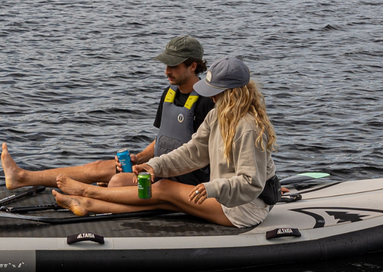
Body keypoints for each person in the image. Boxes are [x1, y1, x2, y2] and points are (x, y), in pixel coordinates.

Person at [53, 57, 277, 228]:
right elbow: (192, 152)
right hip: (226, 197)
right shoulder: (218, 115)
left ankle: (87, 193)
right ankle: (87, 205)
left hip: (245, 208)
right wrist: (155, 165)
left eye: (216, 92)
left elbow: (251, 183)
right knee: (161, 201)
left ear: (234, 93)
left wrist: (211, 188)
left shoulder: (248, 127)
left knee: (164, 189)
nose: (211, 97)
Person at [0, 35, 215, 190]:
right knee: (100, 167)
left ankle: (85, 193)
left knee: (116, 181)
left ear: (193, 66)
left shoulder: (207, 101)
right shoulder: (169, 93)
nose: (166, 71)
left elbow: (205, 152)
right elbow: (164, 138)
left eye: (173, 66)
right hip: (154, 167)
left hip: (180, 177)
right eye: (165, 64)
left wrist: (154, 167)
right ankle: (22, 177)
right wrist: (138, 157)